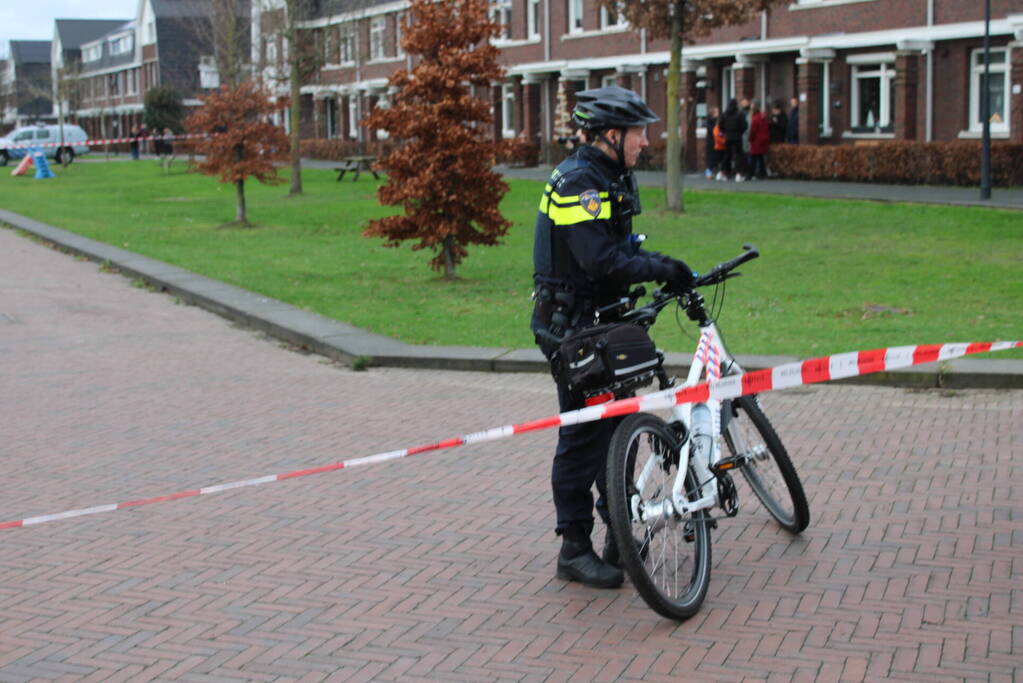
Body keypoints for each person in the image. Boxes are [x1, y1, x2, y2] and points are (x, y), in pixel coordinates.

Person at [531, 87, 693, 589]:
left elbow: (619, 250)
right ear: (610, 135)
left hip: (602, 323)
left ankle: (618, 536)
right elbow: (600, 260)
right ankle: (574, 548)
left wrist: (648, 272)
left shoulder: (608, 175)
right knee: (583, 437)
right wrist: (667, 268)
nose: (646, 141)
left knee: (615, 429)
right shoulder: (582, 181)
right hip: (576, 331)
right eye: (639, 132)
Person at [718, 98, 747, 182]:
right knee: (738, 155)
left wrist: (725, 132)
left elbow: (720, 125)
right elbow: (744, 126)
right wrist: (740, 132)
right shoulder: (740, 114)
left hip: (728, 137)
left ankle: (723, 172)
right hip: (737, 137)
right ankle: (738, 174)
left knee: (727, 155)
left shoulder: (724, 114)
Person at [748, 101, 769, 179]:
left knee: (753, 158)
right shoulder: (763, 117)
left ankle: (750, 174)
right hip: (763, 140)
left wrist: (750, 139)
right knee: (760, 158)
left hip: (756, 141)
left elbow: (753, 131)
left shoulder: (755, 119)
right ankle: (762, 174)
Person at [703, 106, 720, 179]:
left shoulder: (714, 121)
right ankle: (709, 173)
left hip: (714, 141)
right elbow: (712, 131)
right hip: (712, 142)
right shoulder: (711, 121)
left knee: (714, 158)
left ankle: (712, 172)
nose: (718, 114)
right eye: (716, 112)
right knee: (711, 158)